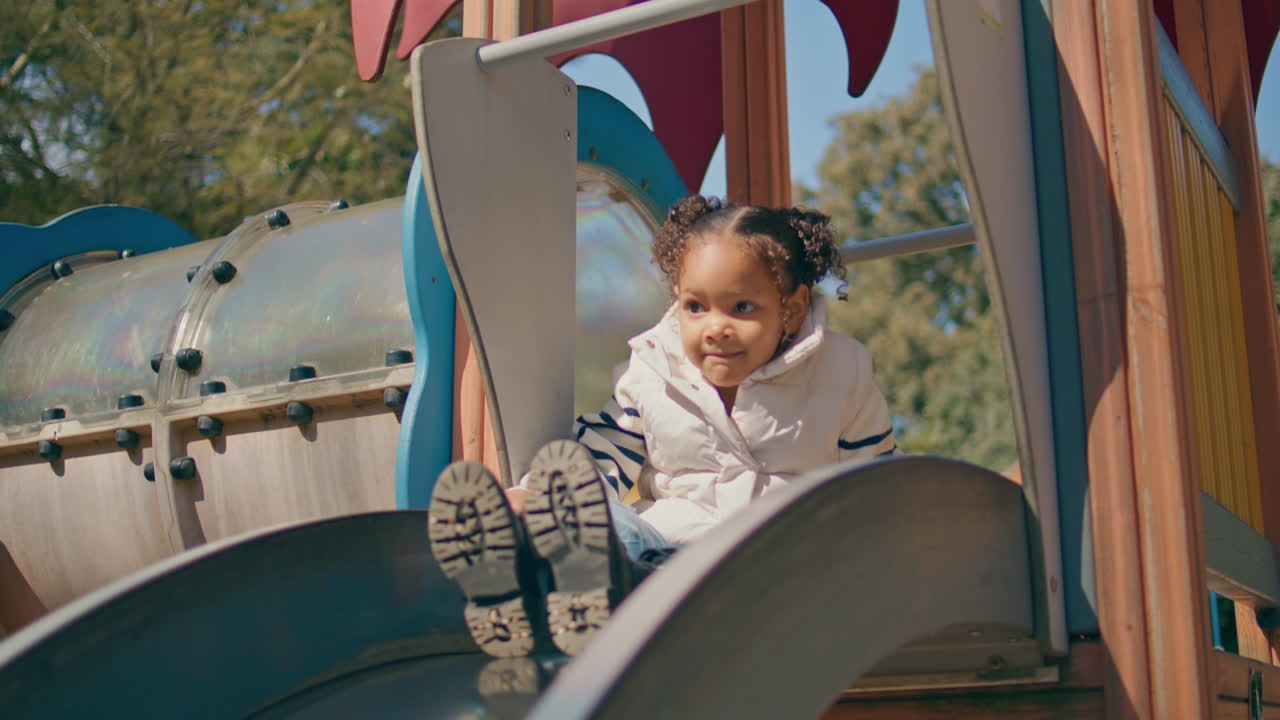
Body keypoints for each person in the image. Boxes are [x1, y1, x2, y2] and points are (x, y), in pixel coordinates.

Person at [427, 195, 897, 659]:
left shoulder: (841, 374)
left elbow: (875, 486)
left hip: (779, 562)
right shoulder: (655, 369)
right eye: (696, 307)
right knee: (607, 523)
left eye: (741, 308)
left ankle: (616, 596)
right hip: (668, 547)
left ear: (790, 310)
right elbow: (605, 449)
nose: (715, 327)